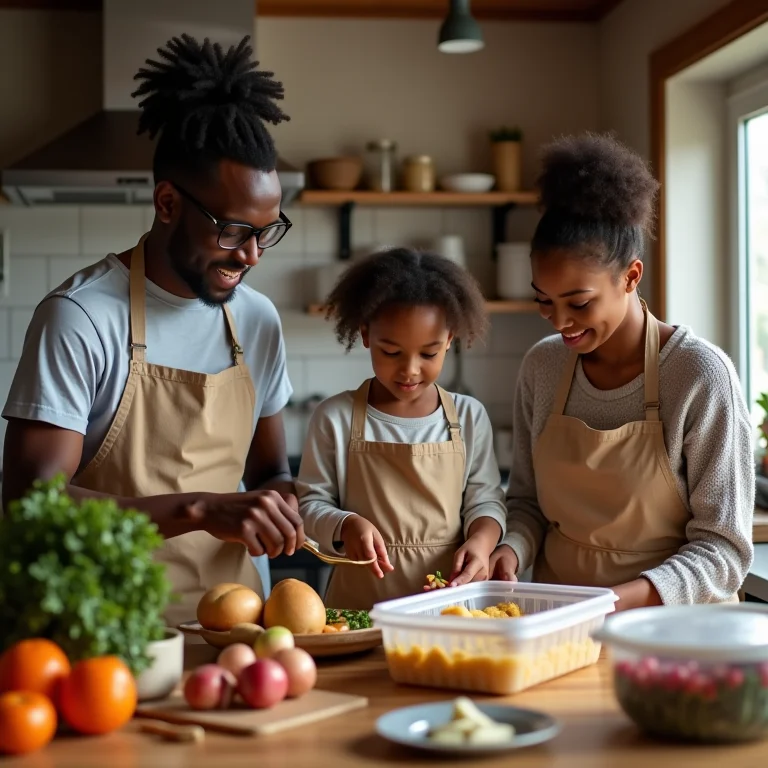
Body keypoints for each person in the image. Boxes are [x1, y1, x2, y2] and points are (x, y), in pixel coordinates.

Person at [1, 34, 305, 626]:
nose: (251, 256)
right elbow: (30, 506)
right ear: (167, 204)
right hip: (104, 631)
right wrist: (197, 510)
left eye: (266, 232)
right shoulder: (81, 317)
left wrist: (301, 510)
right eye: (233, 229)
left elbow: (271, 472)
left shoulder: (258, 321)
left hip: (239, 633)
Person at [488, 133, 754, 610]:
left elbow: (724, 550)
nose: (560, 321)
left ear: (631, 276)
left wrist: (611, 600)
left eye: (580, 303)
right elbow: (526, 503)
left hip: (674, 636)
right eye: (543, 301)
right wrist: (510, 550)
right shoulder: (544, 366)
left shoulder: (699, 376)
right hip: (561, 620)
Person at [296, 248, 508, 610]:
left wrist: (483, 543)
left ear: (450, 339)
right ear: (364, 334)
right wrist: (345, 524)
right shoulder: (335, 417)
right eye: (391, 352)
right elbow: (309, 504)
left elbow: (486, 500)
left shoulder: (469, 416)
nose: (410, 370)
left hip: (448, 609)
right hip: (359, 610)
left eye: (428, 354)